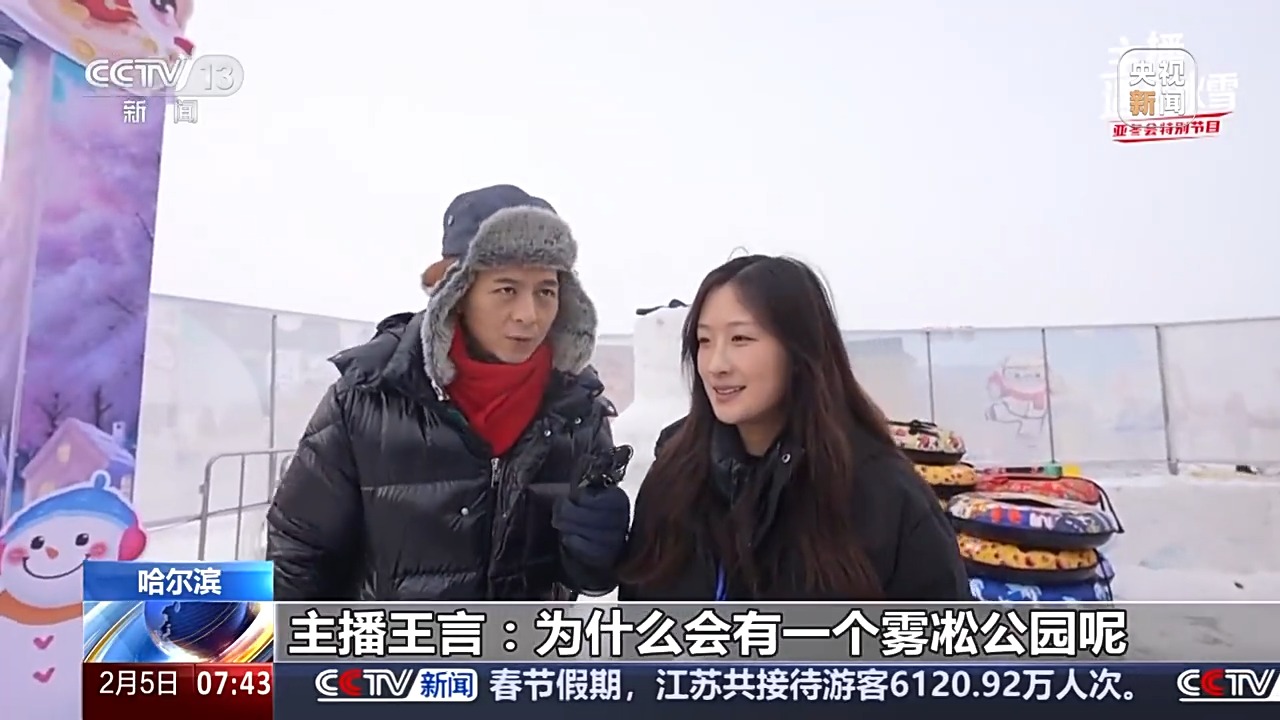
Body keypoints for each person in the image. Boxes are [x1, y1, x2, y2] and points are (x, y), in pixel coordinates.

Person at [266, 184, 632, 600]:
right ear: (457, 293)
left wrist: (598, 554)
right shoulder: (369, 397)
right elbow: (297, 556)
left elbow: (580, 579)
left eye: (546, 291)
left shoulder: (578, 409)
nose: (529, 315)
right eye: (507, 289)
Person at [619, 255, 970, 600]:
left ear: (799, 349)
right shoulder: (673, 477)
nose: (716, 365)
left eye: (740, 339)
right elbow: (636, 618)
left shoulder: (883, 495)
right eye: (704, 341)